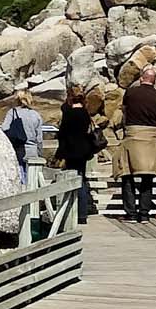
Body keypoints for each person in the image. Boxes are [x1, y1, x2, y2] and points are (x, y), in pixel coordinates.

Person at [115, 67, 156, 219]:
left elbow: (125, 111)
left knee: (127, 173)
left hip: (133, 134)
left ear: (142, 78)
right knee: (148, 175)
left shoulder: (131, 92)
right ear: (154, 81)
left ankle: (130, 212)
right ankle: (144, 213)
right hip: (151, 136)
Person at [56, 89, 99, 219]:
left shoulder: (68, 113)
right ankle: (82, 212)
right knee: (82, 179)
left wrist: (60, 153)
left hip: (70, 151)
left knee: (72, 180)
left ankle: (71, 211)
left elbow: (62, 133)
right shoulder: (85, 114)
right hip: (84, 151)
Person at [0, 92, 45, 188]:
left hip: (18, 149)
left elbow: (4, 128)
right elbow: (39, 138)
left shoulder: (12, 113)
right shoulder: (35, 115)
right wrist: (40, 153)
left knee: (20, 180)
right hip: (32, 150)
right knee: (32, 181)